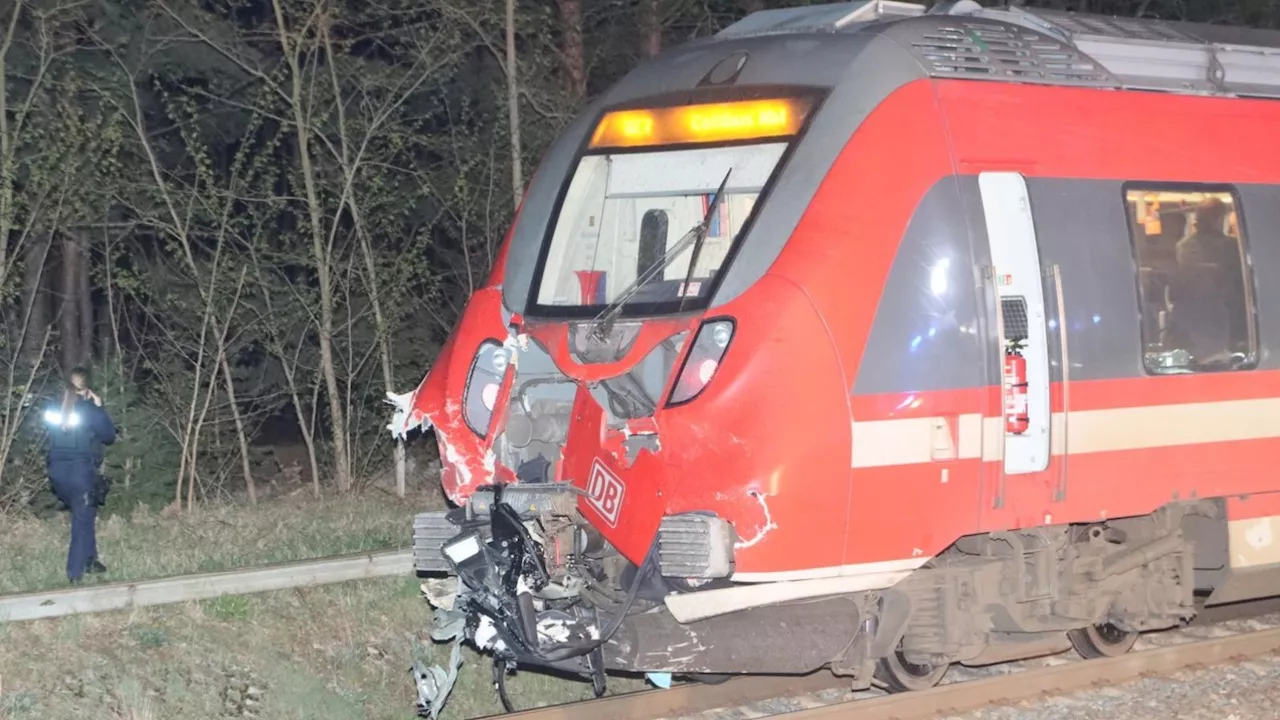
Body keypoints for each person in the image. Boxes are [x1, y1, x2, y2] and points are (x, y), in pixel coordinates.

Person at [44, 367, 116, 584]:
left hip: (57, 472)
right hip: (80, 471)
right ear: (87, 389)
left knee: (86, 510)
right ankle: (75, 572)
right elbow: (109, 436)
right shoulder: (90, 410)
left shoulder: (53, 410)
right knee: (81, 517)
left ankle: (91, 560)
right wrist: (99, 407)